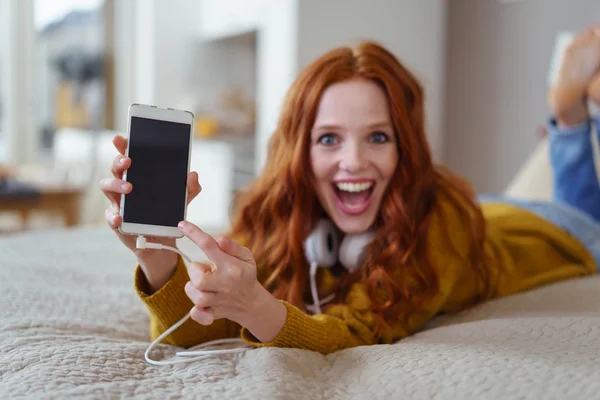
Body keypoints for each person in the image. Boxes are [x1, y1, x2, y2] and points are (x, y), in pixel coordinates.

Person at [101, 26, 600, 354]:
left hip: (558, 231)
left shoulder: (438, 225)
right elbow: (193, 336)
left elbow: (358, 332)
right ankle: (569, 122)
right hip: (493, 209)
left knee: (583, 209)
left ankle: (570, 119)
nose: (354, 161)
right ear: (299, 153)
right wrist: (159, 258)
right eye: (329, 139)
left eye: (378, 137)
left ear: (404, 149)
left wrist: (257, 306)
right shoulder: (283, 212)